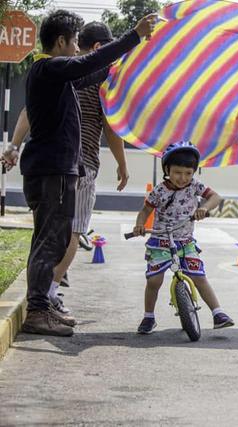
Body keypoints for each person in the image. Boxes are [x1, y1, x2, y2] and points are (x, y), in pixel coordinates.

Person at [0, 9, 156, 337]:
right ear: (61, 41)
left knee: (53, 241)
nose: (76, 48)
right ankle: (38, 312)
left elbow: (91, 72)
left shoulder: (55, 74)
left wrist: (132, 57)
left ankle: (42, 305)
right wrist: (134, 35)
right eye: (73, 42)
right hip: (52, 171)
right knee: (50, 242)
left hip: (58, 170)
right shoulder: (50, 67)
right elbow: (85, 65)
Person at [131, 142, 233, 334]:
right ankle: (149, 317)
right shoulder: (159, 191)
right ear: (167, 169)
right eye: (177, 172)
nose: (183, 178)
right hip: (160, 241)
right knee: (154, 281)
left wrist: (204, 208)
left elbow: (215, 197)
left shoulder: (194, 186)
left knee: (199, 277)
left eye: (188, 173)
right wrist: (139, 225)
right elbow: (145, 210)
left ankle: (218, 313)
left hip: (185, 242)